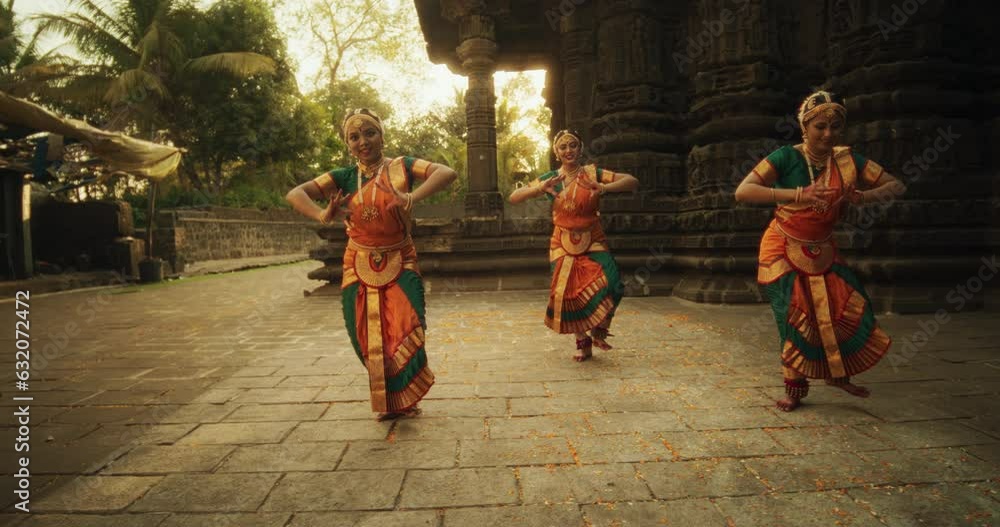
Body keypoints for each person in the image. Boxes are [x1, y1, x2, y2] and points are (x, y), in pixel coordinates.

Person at [734, 90, 906, 411]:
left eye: (836, 127)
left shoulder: (847, 160)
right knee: (793, 316)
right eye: (820, 126)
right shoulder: (786, 157)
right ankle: (795, 387)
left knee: (850, 306)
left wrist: (863, 198)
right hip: (781, 246)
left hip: (824, 247)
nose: (829, 134)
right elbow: (744, 192)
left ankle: (836, 372)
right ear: (805, 127)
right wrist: (800, 193)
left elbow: (896, 185)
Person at [285, 108, 457, 420]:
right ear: (347, 143)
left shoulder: (401, 167)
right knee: (362, 333)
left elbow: (446, 172)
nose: (363, 141)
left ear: (381, 135)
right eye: (354, 137)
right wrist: (320, 214)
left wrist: (410, 197)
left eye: (369, 133)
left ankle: (406, 397)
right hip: (358, 262)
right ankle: (389, 398)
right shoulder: (343, 177)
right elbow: (295, 193)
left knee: (410, 324)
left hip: (400, 258)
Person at [509, 129, 638, 361]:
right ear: (556, 152)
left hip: (593, 237)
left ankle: (599, 327)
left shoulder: (592, 173)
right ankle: (582, 341)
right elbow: (514, 197)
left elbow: (631, 181)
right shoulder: (551, 179)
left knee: (614, 282)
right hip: (562, 241)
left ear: (580, 148)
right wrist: (539, 188)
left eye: (573, 145)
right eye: (563, 147)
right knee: (569, 292)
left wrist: (604, 188)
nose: (568, 150)